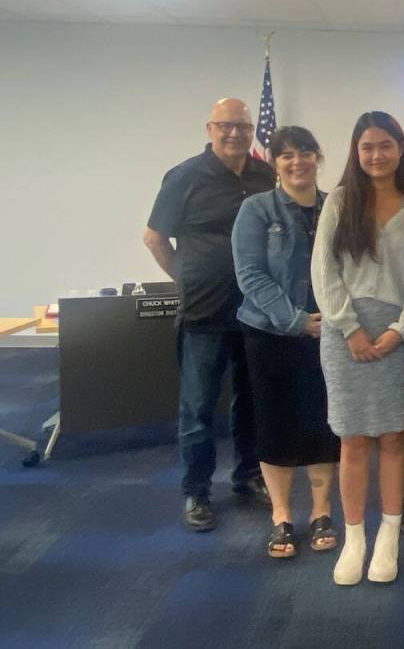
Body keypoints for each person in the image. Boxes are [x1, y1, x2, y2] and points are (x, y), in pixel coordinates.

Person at [311, 111, 404, 585]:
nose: (377, 155)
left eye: (386, 145)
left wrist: (397, 332)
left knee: (393, 438)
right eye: (368, 147)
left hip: (398, 337)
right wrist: (349, 329)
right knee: (353, 440)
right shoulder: (341, 201)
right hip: (346, 337)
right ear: (355, 152)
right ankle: (354, 538)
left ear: (401, 149)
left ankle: (388, 537)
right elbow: (323, 272)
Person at [143, 97, 274, 532]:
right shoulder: (184, 177)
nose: (235, 133)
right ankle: (197, 491)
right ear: (209, 128)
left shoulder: (264, 174)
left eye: (242, 126)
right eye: (225, 126)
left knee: (251, 402)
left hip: (256, 312)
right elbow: (154, 237)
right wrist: (187, 278)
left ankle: (248, 476)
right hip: (203, 313)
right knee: (197, 409)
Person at [231, 126, 340, 558]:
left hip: (328, 335)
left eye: (306, 153)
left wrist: (332, 322)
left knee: (322, 425)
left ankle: (321, 511)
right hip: (270, 334)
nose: (298, 162)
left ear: (318, 157)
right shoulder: (256, 210)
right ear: (274, 163)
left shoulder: (336, 208)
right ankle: (280, 516)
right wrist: (296, 321)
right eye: (287, 155)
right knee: (275, 425)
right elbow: (250, 275)